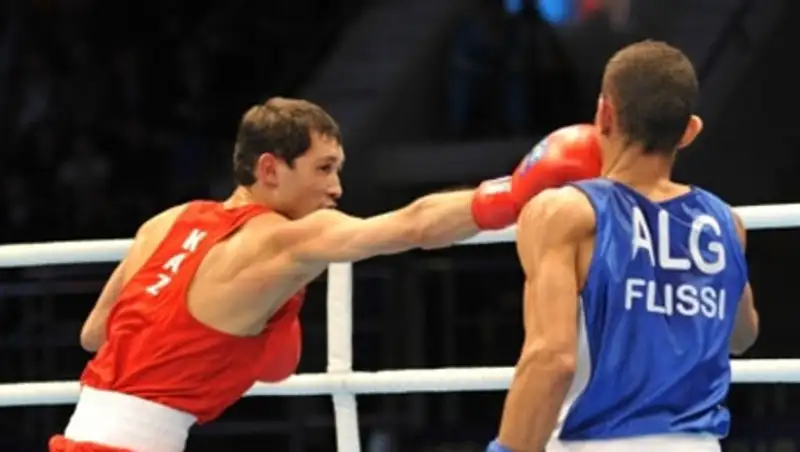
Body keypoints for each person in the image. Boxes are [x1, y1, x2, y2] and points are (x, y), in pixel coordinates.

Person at [48, 97, 602, 452]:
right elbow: (411, 225)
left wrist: (207, 332)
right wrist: (518, 191)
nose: (336, 189)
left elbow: (94, 335)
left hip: (78, 438)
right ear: (270, 169)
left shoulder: (165, 223)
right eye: (323, 169)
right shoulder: (287, 238)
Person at [485, 40, 759, 452]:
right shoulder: (726, 224)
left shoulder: (566, 212)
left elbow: (551, 360)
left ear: (604, 113)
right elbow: (741, 335)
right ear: (690, 131)